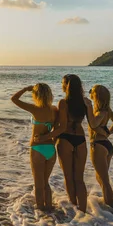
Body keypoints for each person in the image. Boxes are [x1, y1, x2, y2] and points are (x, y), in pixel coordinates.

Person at [35, 74, 103, 213]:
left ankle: (74, 209)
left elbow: (62, 126)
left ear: (67, 86)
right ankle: (83, 212)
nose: (61, 85)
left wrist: (46, 137)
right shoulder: (85, 102)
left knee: (68, 177)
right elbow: (93, 124)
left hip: (65, 139)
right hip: (81, 140)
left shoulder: (63, 103)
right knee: (79, 178)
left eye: (62, 83)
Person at [11, 83, 58, 211]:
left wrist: (26, 89)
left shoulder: (34, 109)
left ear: (36, 95)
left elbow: (14, 99)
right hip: (51, 150)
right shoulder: (54, 110)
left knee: (38, 184)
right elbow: (59, 129)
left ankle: (41, 212)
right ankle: (50, 208)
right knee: (46, 182)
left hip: (37, 148)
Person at [86, 84, 113, 208]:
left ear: (96, 96)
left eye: (92, 91)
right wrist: (108, 133)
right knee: (100, 178)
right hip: (107, 145)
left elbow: (93, 124)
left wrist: (89, 107)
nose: (90, 92)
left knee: (105, 181)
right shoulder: (107, 110)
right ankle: (109, 205)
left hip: (98, 145)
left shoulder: (100, 112)